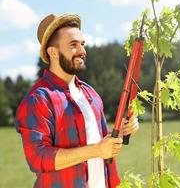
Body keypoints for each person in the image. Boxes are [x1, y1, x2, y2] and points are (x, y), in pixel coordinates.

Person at [15, 13, 139, 188]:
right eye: (73, 45)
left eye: (82, 44)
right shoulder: (38, 99)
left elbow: (99, 141)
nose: (82, 51)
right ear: (53, 52)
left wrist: (122, 131)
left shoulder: (90, 93)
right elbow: (38, 157)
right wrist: (96, 150)